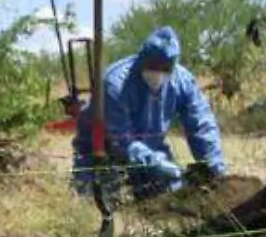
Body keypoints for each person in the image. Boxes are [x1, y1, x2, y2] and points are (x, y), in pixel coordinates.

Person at [71, 26, 227, 200]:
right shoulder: (115, 84)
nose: (158, 73)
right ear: (142, 59)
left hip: (153, 150)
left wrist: (213, 166)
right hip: (105, 152)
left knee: (172, 197)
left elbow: (201, 125)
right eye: (153, 66)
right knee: (102, 202)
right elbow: (121, 140)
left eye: (165, 68)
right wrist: (157, 163)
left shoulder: (183, 82)